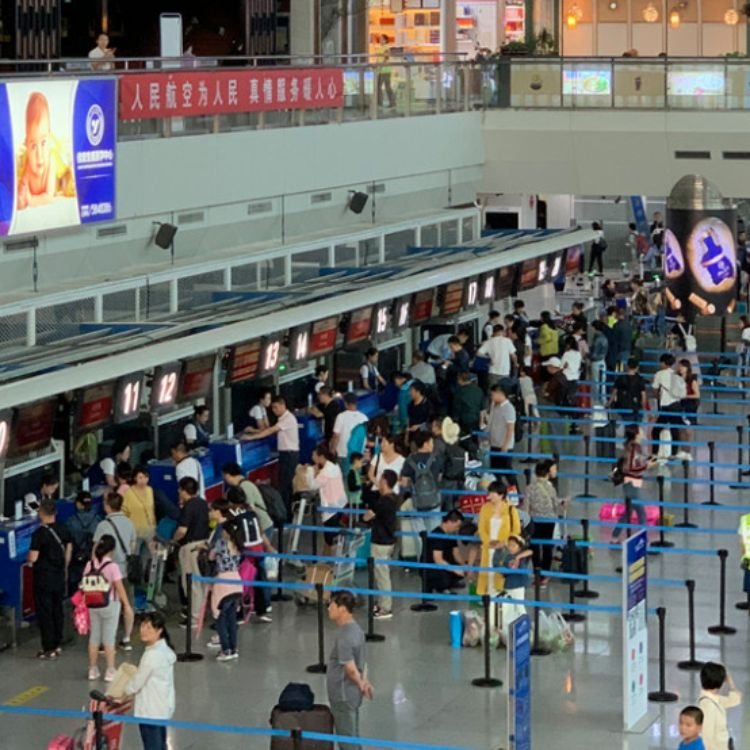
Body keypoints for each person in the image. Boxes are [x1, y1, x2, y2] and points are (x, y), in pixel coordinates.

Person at [83, 535, 133, 681]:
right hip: (110, 603)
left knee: (94, 638)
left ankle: (92, 669)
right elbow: (119, 587)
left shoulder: (89, 565)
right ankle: (110, 670)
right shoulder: (112, 567)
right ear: (112, 550)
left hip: (92, 604)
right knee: (109, 638)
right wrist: (127, 604)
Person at [326, 590, 372, 749]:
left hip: (343, 694)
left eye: (332, 605)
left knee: (347, 740)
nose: (328, 608)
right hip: (351, 694)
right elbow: (363, 662)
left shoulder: (344, 636)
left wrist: (361, 685)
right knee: (352, 734)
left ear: (342, 609)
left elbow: (350, 668)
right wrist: (364, 683)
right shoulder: (357, 630)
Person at [125, 612, 176, 750]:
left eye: (149, 627)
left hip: (150, 710)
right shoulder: (166, 651)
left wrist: (123, 692)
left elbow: (137, 683)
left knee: (152, 745)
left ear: (159, 630)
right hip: (162, 707)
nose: (143, 630)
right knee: (160, 743)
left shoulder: (151, 656)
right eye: (142, 626)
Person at [27, 499, 71, 659]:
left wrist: (29, 559)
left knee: (45, 612)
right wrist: (64, 568)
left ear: (41, 513)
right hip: (59, 576)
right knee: (57, 610)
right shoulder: (62, 528)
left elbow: (33, 557)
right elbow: (68, 548)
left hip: (43, 578)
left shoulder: (39, 534)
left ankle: (48, 648)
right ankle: (58, 644)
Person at [16, 92, 73, 211]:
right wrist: (21, 199)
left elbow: (49, 197)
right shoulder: (27, 165)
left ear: (49, 137)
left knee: (68, 185)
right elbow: (23, 194)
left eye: (43, 143)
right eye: (33, 146)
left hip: (58, 179)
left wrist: (31, 200)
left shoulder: (50, 163)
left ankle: (67, 178)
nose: (39, 154)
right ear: (26, 144)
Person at [94, 492, 136, 650]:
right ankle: (127, 638)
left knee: (106, 605)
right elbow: (132, 545)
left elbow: (96, 549)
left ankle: (106, 640)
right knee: (127, 604)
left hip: (106, 572)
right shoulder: (129, 523)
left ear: (107, 506)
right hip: (125, 570)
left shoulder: (103, 526)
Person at [244, 396, 299, 516]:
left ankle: (285, 516)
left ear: (283, 405)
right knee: (285, 485)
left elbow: (270, 431)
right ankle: (286, 514)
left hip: (289, 455)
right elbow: (270, 429)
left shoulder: (287, 419)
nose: (274, 410)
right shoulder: (283, 419)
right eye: (273, 408)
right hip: (287, 455)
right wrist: (254, 431)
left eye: (276, 407)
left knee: (285, 486)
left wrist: (251, 437)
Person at [173, 477, 210, 628]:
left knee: (191, 583)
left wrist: (173, 539)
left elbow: (182, 530)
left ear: (183, 490)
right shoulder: (202, 503)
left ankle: (194, 618)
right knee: (200, 583)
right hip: (203, 544)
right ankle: (200, 613)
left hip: (190, 547)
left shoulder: (188, 507)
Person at [363, 470, 400, 620]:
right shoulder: (394, 499)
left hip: (380, 541)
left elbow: (367, 516)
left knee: (382, 575)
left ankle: (386, 607)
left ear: (385, 482)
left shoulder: (383, 501)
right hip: (389, 540)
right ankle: (381, 602)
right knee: (381, 574)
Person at [522, 459, 565, 586]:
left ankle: (537, 574)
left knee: (534, 547)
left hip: (534, 521)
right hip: (549, 521)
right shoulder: (550, 488)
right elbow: (554, 505)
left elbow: (525, 507)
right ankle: (545, 575)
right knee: (547, 548)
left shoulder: (529, 488)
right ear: (547, 473)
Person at [207, 517, 243, 661]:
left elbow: (211, 557)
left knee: (220, 618)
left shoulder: (221, 544)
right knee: (232, 618)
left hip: (223, 582)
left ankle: (226, 650)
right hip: (237, 580)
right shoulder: (238, 544)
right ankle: (233, 648)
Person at [611, 425, 656, 542]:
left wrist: (646, 462)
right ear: (636, 434)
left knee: (628, 512)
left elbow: (634, 463)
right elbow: (630, 467)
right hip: (631, 483)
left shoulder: (631, 446)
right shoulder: (634, 447)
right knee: (641, 512)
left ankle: (615, 537)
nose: (642, 431)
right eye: (640, 430)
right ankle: (643, 539)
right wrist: (647, 466)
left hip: (631, 482)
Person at [477, 483, 521, 599]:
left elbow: (516, 530)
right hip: (488, 547)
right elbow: (481, 528)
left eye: (492, 493)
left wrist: (504, 543)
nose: (489, 496)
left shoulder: (511, 510)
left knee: (500, 574)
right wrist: (488, 542)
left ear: (501, 495)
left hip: (504, 549)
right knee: (488, 574)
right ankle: (488, 598)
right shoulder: (485, 508)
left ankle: (500, 597)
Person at [306, 443, 347, 556]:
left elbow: (312, 485)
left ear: (321, 456)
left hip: (330, 508)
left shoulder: (325, 472)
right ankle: (327, 559)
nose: (312, 457)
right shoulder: (335, 466)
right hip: (340, 503)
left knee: (329, 537)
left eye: (314, 455)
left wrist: (309, 471)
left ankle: (331, 561)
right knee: (331, 535)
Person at [493, 534, 532, 640]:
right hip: (509, 585)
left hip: (518, 586)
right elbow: (504, 571)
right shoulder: (508, 557)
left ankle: (527, 627)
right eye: (509, 545)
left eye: (513, 545)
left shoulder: (522, 557)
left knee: (520, 606)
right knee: (510, 608)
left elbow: (530, 551)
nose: (510, 547)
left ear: (519, 547)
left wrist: (518, 557)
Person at [221, 463, 273, 539]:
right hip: (256, 526)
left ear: (227, 475)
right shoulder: (239, 486)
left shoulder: (245, 486)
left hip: (262, 526)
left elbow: (251, 509)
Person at [697, 661, 741, 750]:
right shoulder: (709, 706)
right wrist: (729, 680)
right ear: (720, 683)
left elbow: (736, 699)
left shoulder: (714, 699)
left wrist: (730, 680)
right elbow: (707, 740)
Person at [651, 353, 685, 460]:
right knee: (675, 430)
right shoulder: (677, 374)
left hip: (666, 406)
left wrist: (658, 397)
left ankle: (654, 453)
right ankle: (674, 453)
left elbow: (655, 389)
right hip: (676, 405)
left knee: (656, 430)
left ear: (664, 363)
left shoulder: (659, 374)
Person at [423, 510, 467, 593]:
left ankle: (449, 582)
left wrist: (464, 566)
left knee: (460, 570)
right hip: (432, 567)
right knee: (444, 578)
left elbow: (456, 553)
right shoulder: (437, 535)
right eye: (456, 526)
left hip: (444, 562)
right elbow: (438, 559)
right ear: (449, 522)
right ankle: (438, 585)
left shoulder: (451, 535)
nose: (457, 529)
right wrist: (455, 569)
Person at [65, 490, 99, 595]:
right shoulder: (98, 521)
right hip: (91, 559)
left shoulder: (70, 522)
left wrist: (65, 565)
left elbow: (68, 545)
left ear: (78, 504)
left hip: (75, 561)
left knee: (75, 592)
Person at [122, 465, 156, 566]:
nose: (143, 480)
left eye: (146, 477)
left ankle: (147, 576)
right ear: (135, 478)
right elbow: (124, 512)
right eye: (140, 477)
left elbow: (152, 508)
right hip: (135, 530)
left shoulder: (150, 490)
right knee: (134, 555)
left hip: (150, 528)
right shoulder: (128, 493)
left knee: (151, 555)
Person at [486, 383, 517, 489]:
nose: (491, 397)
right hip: (494, 443)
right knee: (495, 471)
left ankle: (517, 492)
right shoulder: (494, 405)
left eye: (493, 394)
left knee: (507, 470)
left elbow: (510, 428)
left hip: (504, 445)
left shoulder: (509, 408)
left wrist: (506, 444)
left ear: (500, 393)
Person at [476, 324, 517, 389]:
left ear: (493, 332)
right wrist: (515, 364)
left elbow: (478, 353)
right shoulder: (507, 341)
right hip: (504, 372)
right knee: (503, 392)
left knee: (493, 391)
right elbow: (513, 356)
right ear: (502, 331)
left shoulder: (489, 341)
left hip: (493, 371)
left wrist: (488, 358)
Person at [610, 357, 649, 423]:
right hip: (635, 408)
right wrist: (643, 407)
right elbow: (643, 396)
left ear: (627, 366)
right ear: (637, 367)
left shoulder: (620, 378)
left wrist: (609, 403)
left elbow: (614, 393)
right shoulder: (640, 379)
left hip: (622, 407)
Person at [677, 358, 700, 460]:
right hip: (679, 405)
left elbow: (697, 394)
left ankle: (688, 451)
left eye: (682, 366)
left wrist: (685, 396)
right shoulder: (676, 378)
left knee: (688, 430)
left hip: (689, 406)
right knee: (681, 429)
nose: (680, 368)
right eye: (679, 366)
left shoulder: (692, 379)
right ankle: (683, 450)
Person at [452, 372, 484, 438]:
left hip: (464, 421)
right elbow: (482, 408)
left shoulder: (459, 392)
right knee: (475, 437)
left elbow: (456, 409)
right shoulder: (479, 390)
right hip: (476, 419)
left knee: (465, 439)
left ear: (461, 380)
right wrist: (482, 421)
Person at [590, 320, 609, 404]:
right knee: (603, 382)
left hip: (596, 362)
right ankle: (604, 400)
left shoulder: (597, 339)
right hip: (602, 361)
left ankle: (597, 401)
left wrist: (587, 355)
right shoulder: (604, 338)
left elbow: (594, 353)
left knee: (596, 382)